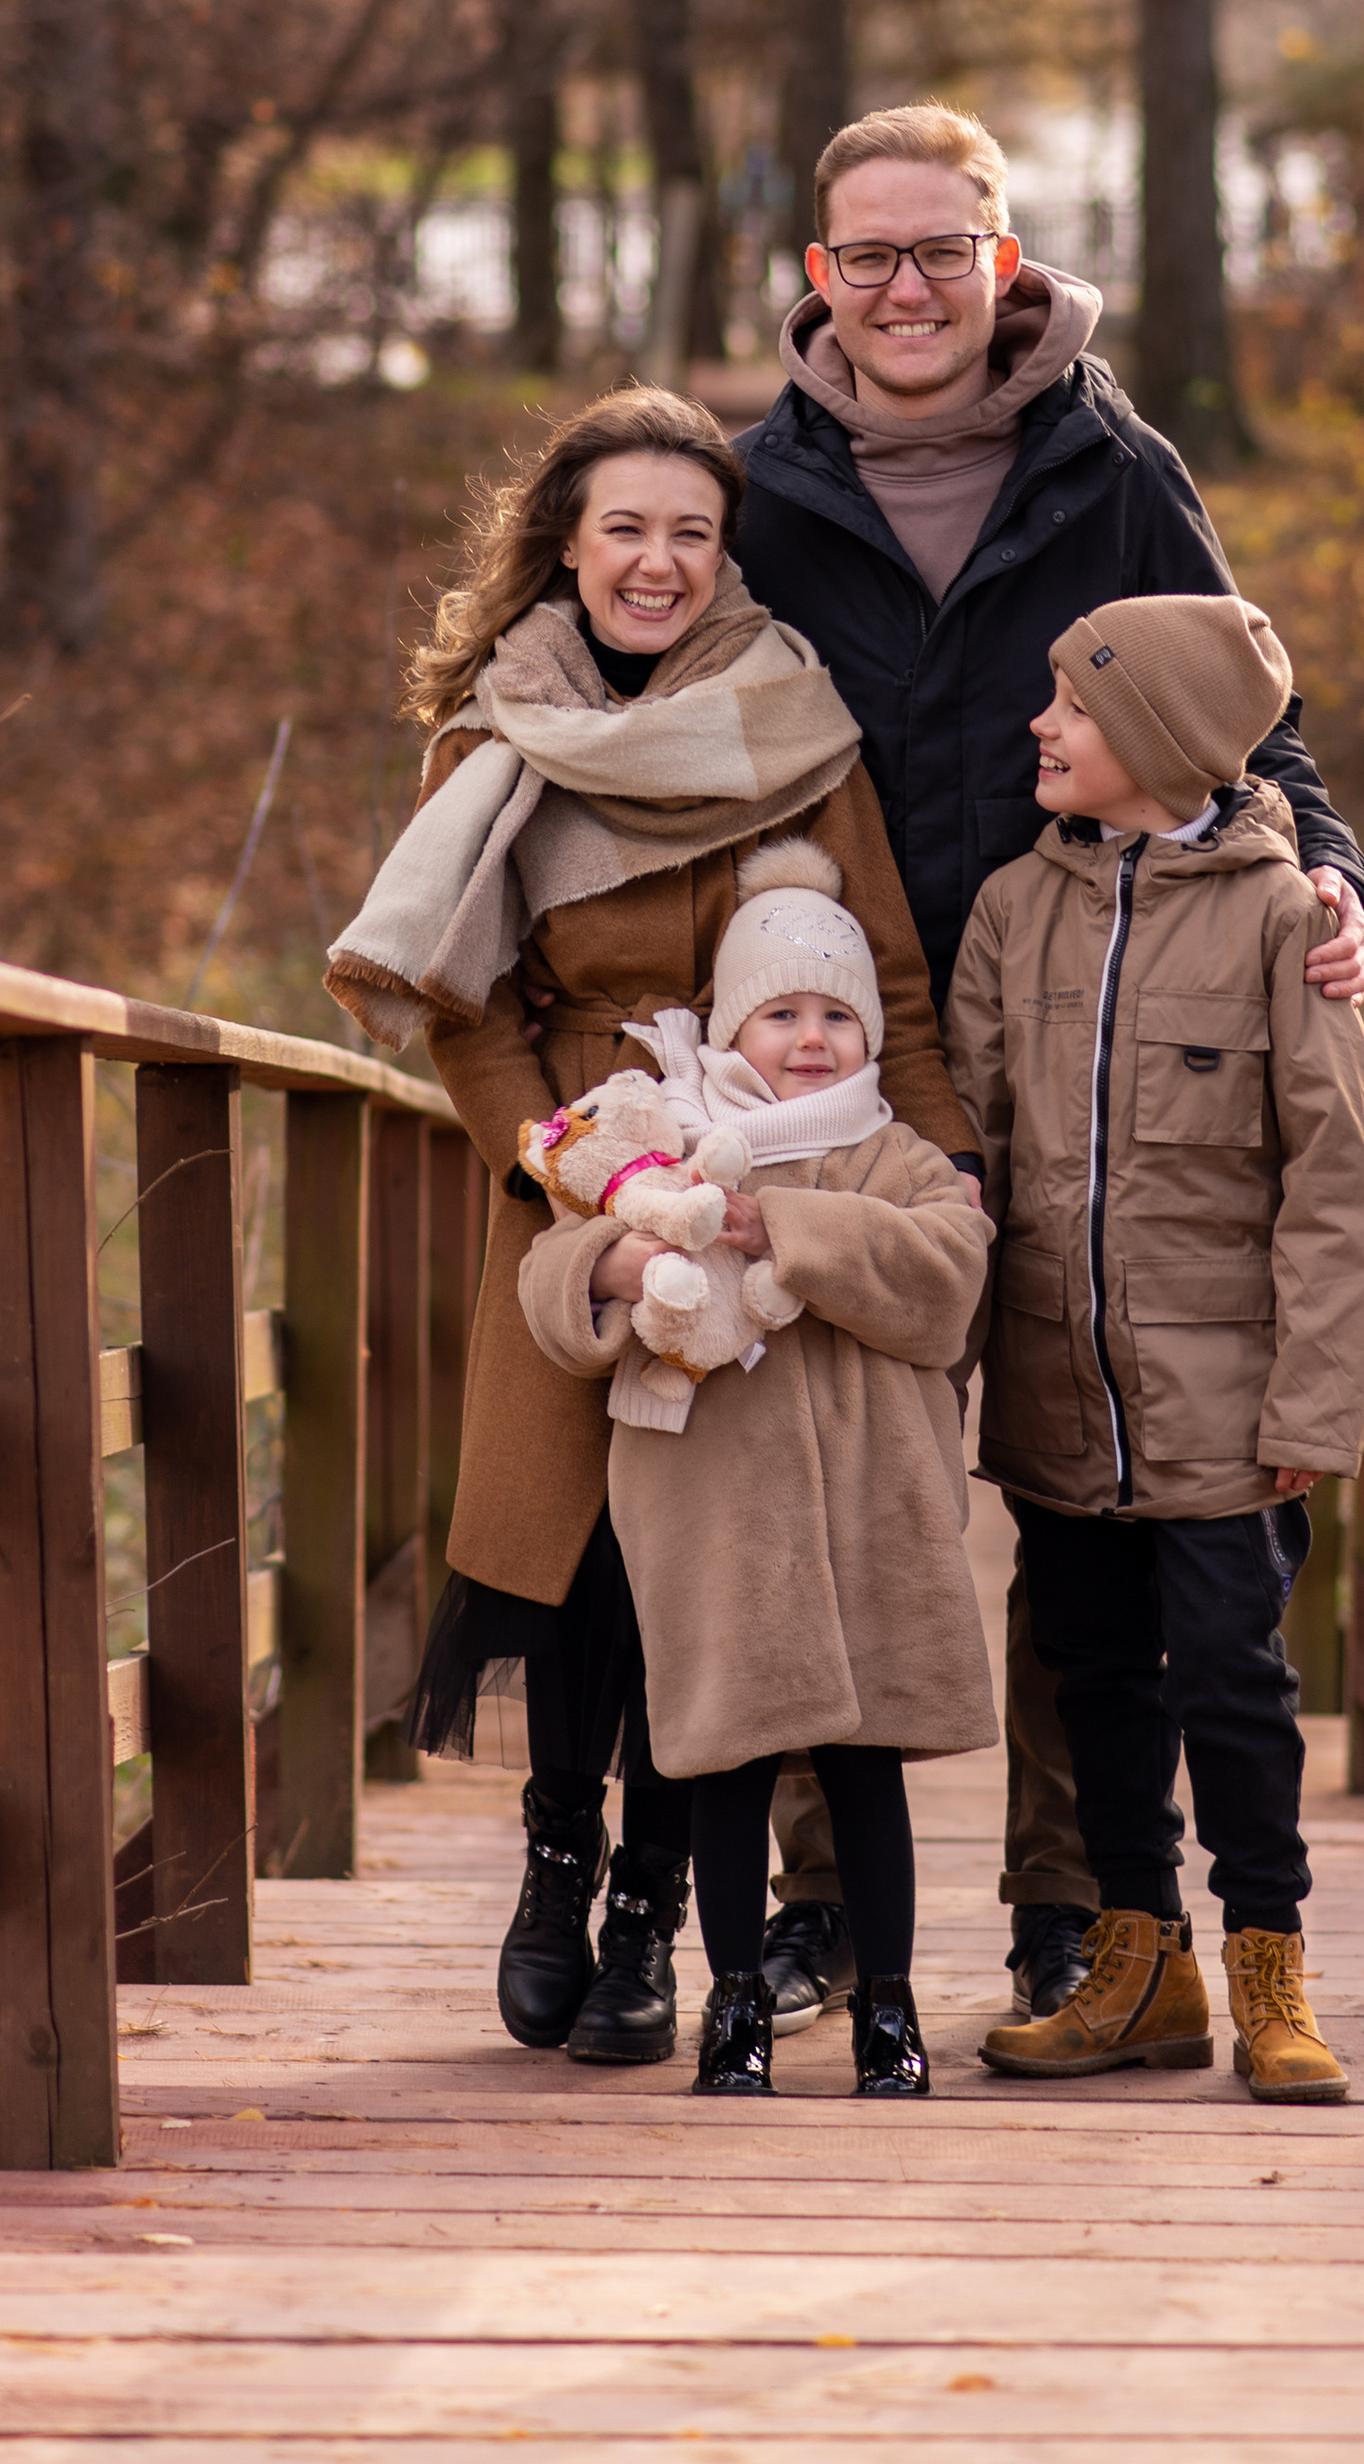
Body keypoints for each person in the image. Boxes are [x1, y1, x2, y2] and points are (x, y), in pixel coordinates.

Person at [733, 99, 1364, 2032]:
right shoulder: (757, 485)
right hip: (837, 1053)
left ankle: (1084, 1909)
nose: (911, 287)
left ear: (1005, 262)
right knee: (835, 1470)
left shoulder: (1112, 468)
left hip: (1092, 1016)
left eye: (947, 249)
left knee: (1080, 1485)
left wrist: (1328, 872)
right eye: (873, 255)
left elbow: (1247, 713)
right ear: (822, 274)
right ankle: (826, 1897)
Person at [327, 387, 972, 2070]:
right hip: (593, 1186)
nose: (660, 560)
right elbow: (471, 1012)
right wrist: (586, 1176)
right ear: (566, 540)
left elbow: (887, 987)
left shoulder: (797, 725)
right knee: (590, 1560)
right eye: (626, 526)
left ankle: (652, 1916)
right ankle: (561, 1863)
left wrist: (944, 1186)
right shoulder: (493, 743)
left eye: (693, 530)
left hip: (773, 1188)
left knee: (711, 1560)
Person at [945, 592, 1364, 2097]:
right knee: (1092, 1675)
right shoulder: (1014, 907)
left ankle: (1271, 1955)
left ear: (1158, 735)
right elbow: (971, 1153)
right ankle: (1141, 1960)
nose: (1040, 725)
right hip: (1061, 1383)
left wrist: (1314, 1398)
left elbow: (1338, 1177)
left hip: (1226, 1398)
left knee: (1230, 1675)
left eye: (1070, 704)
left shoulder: (1286, 915)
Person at [515, 845, 994, 2095]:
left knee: (862, 1769)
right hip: (716, 1521)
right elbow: (553, 1278)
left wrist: (778, 1222)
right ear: (733, 1023)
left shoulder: (891, 1155)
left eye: (838, 1013)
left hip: (865, 1521)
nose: (813, 1038)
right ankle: (732, 2002)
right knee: (722, 1758)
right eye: (781, 1011)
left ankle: (888, 2005)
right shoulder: (665, 1136)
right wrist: (619, 1268)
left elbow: (946, 1278)